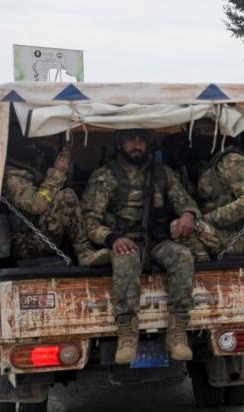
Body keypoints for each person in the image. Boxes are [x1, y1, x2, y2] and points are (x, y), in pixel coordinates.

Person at [82, 129, 200, 364]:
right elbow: (89, 220)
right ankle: (127, 334)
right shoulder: (106, 176)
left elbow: (183, 200)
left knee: (183, 255)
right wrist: (112, 238)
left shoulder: (162, 173)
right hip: (123, 241)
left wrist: (188, 214)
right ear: (119, 143)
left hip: (155, 240)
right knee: (126, 258)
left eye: (142, 140)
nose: (137, 145)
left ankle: (177, 333)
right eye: (130, 140)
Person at [3, 141, 109, 266]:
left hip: (41, 236)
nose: (34, 147)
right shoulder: (12, 177)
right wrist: (58, 173)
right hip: (24, 245)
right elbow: (37, 205)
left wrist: (65, 167)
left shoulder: (32, 167)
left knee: (66, 195)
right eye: (29, 142)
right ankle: (83, 252)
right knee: (66, 196)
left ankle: (85, 252)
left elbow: (54, 195)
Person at [172, 134, 244, 259]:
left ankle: (204, 268)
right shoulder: (203, 165)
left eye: (207, 130)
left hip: (238, 237)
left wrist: (209, 219)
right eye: (197, 131)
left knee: (180, 227)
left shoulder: (230, 160)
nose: (201, 135)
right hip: (215, 233)